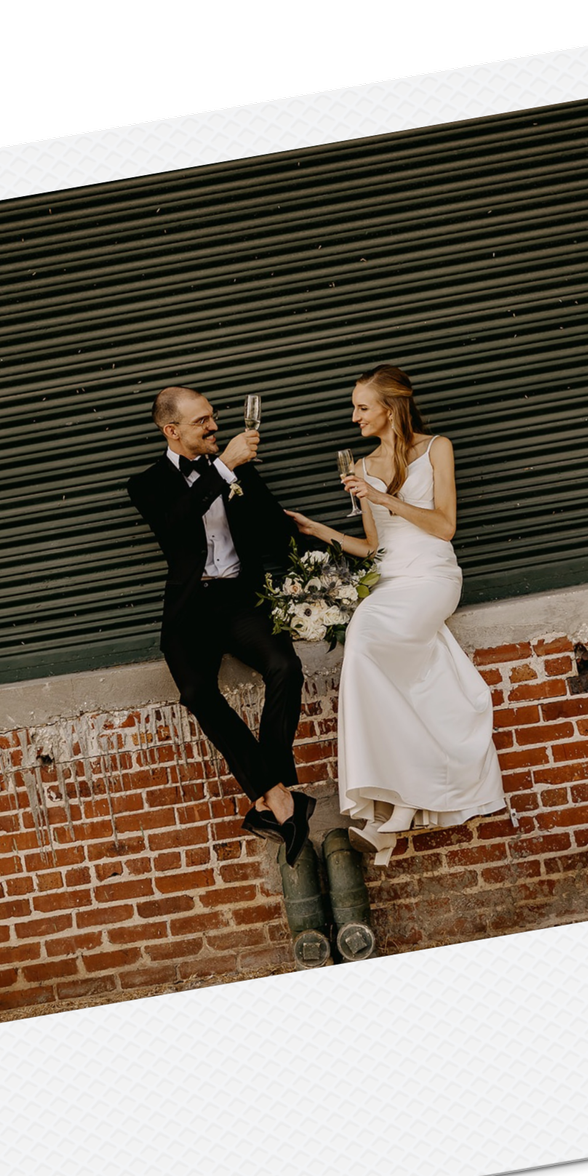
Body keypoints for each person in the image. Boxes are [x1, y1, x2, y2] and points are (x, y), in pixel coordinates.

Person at [286, 363, 508, 866]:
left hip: (431, 579)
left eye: (362, 407)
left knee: (370, 650)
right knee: (363, 656)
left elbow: (445, 525)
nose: (354, 416)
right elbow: (373, 547)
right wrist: (320, 532)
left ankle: (396, 803)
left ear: (391, 408)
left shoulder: (436, 449)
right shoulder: (361, 468)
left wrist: (384, 497)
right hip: (389, 585)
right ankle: (394, 802)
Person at [127, 386, 317, 862]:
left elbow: (273, 527)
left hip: (240, 600)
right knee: (195, 693)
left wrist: (314, 536)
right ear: (171, 432)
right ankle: (281, 797)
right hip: (191, 608)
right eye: (201, 422)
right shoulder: (147, 483)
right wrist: (224, 469)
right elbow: (175, 523)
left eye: (214, 417)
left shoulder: (238, 469)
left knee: (285, 668)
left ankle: (270, 792)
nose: (214, 426)